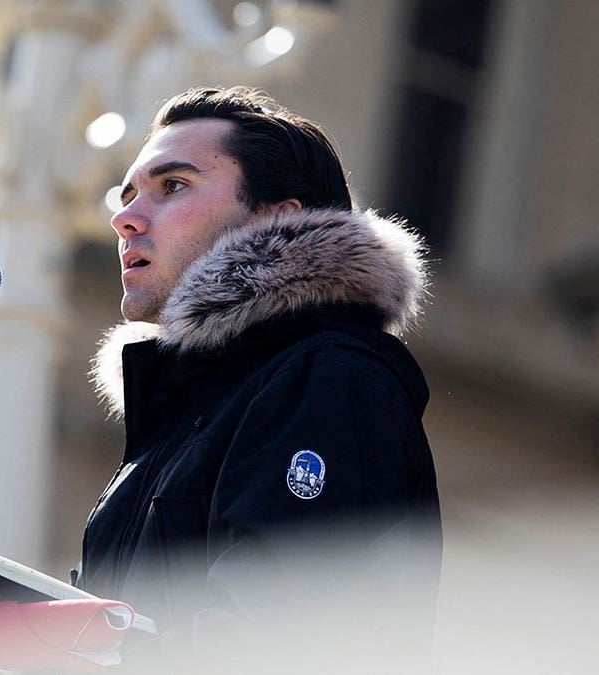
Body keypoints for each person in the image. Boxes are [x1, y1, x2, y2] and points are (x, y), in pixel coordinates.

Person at [74, 86, 441, 669]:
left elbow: (271, 637)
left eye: (172, 187)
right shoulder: (179, 415)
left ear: (275, 221)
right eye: (127, 196)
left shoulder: (330, 378)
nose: (125, 218)